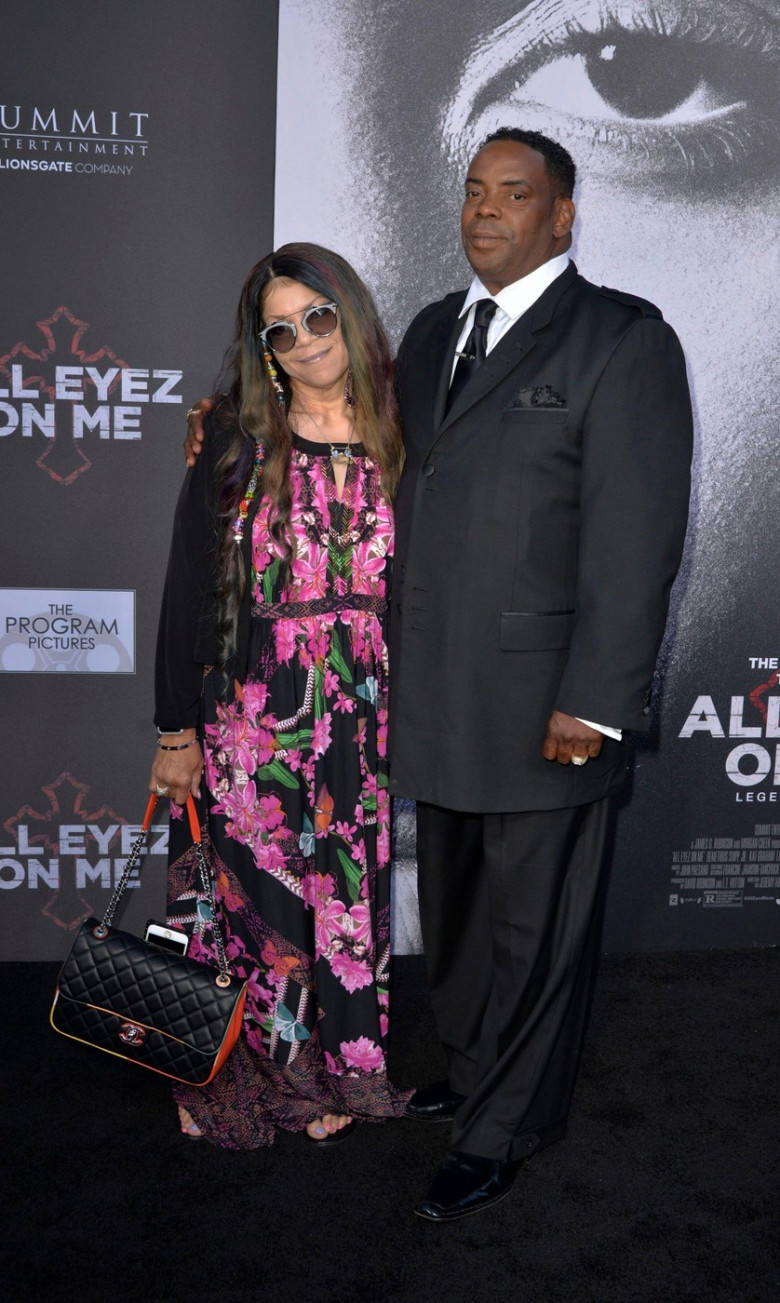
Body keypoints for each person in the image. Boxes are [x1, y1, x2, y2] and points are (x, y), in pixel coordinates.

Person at [184, 130, 693, 1213]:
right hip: (429, 699)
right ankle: (468, 1070)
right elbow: (335, 427)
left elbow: (637, 537)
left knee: (533, 931)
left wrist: (596, 702)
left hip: (549, 704)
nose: (487, 211)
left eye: (517, 194)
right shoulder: (429, 333)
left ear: (564, 215)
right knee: (459, 920)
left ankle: (505, 1127)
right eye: (474, 192)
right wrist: (222, 424)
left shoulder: (621, 339)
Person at [152, 242, 409, 1148]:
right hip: (253, 712)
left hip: (360, 710)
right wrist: (174, 726)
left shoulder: (406, 429)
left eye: (320, 317)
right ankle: (253, 1070)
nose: (305, 340)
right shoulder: (232, 439)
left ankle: (341, 1069)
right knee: (257, 898)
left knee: (342, 895)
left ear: (351, 314)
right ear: (265, 349)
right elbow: (188, 584)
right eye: (282, 329)